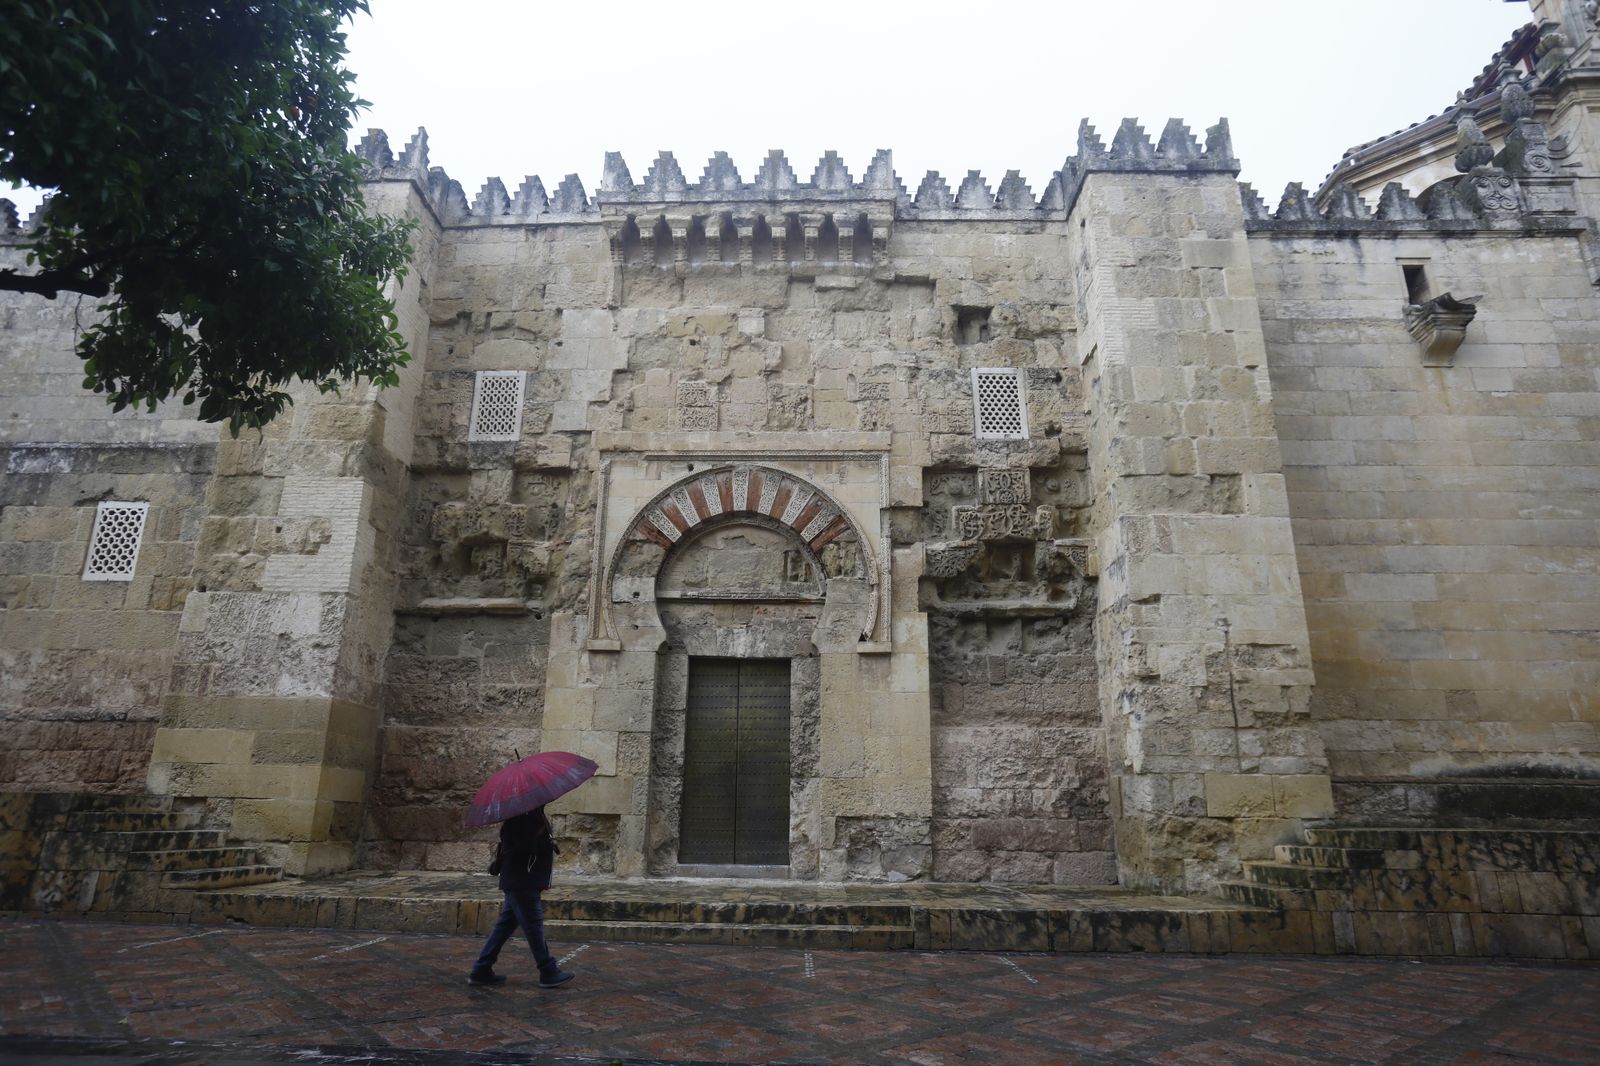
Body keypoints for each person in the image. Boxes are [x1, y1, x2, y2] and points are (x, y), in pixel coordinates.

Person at [467, 806, 575, 988]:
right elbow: (525, 847)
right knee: (534, 926)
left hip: (521, 882)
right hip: (522, 882)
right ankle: (548, 971)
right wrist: (545, 842)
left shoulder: (531, 815)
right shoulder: (523, 818)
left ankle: (481, 969)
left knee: (504, 926)